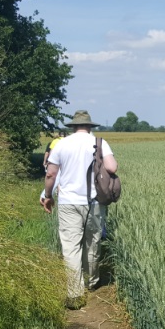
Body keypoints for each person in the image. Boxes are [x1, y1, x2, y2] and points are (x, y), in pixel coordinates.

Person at [41, 110, 118, 309]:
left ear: (73, 126)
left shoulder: (63, 144)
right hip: (94, 202)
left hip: (68, 202)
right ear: (90, 126)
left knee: (71, 246)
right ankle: (91, 282)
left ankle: (74, 292)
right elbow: (112, 167)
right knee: (92, 242)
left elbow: (51, 174)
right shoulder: (99, 142)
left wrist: (48, 197)